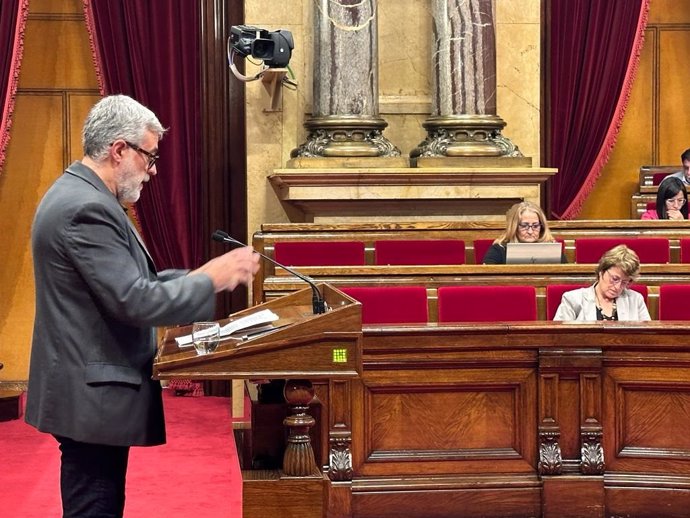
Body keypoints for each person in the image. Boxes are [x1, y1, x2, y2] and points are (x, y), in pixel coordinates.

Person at [24, 94, 261, 518]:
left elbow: (136, 284)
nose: (152, 171)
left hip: (88, 392)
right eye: (149, 157)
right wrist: (212, 279)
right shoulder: (87, 208)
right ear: (119, 150)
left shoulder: (82, 195)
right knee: (94, 505)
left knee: (98, 501)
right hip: (90, 395)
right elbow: (134, 299)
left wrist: (197, 276)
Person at [553, 244, 650, 321]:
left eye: (624, 282)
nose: (617, 287)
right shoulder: (573, 300)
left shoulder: (636, 300)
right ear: (601, 272)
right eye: (614, 279)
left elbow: (647, 339)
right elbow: (557, 339)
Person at [482, 200, 566, 264]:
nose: (530, 231)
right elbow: (487, 278)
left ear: (542, 226)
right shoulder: (500, 249)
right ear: (514, 227)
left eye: (535, 226)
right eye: (524, 226)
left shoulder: (552, 248)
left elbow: (566, 277)